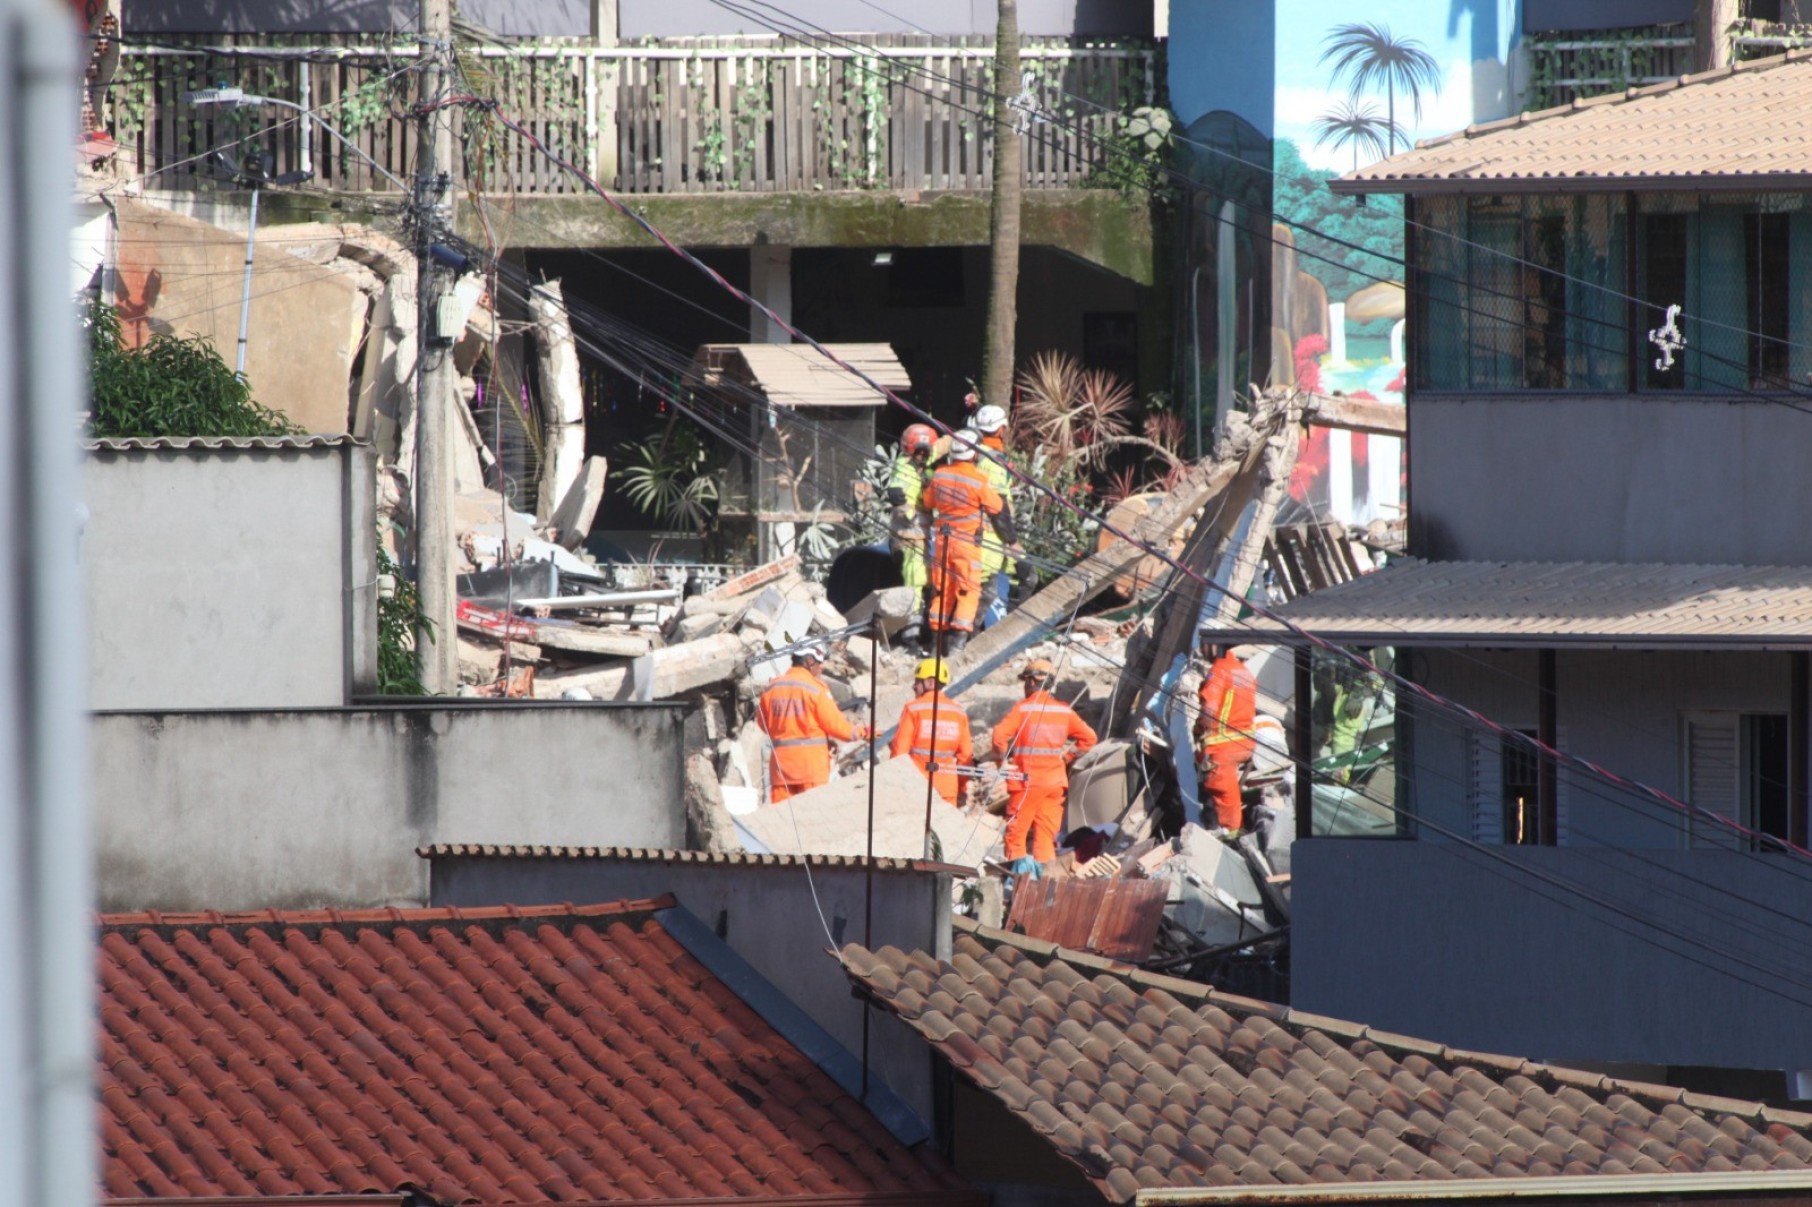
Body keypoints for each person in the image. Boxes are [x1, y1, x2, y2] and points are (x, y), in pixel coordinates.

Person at [919, 428, 1020, 655]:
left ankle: (936, 644)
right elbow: (997, 507)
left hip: (943, 542)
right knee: (967, 591)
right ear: (974, 454)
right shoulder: (978, 480)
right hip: (966, 545)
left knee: (942, 590)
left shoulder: (940, 474)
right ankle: (956, 646)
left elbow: (928, 502)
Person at [992, 657, 1097, 874]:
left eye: (1025, 681)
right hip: (1054, 784)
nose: (1024, 686)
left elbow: (999, 737)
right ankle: (1045, 885)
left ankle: (1017, 885)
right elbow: (1089, 739)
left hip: (1026, 783)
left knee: (1016, 835)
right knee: (1046, 837)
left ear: (1031, 682)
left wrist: (1002, 762)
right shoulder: (1064, 711)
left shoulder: (1023, 709)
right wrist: (1066, 758)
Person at [756, 644, 871, 803]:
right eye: (819, 662)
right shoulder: (815, 689)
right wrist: (863, 732)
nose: (822, 667)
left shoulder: (772, 688)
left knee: (784, 822)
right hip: (810, 769)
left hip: (781, 771)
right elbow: (838, 727)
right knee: (811, 819)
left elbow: (763, 724)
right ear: (809, 661)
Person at [890, 656, 972, 805]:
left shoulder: (913, 709)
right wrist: (961, 788)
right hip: (947, 789)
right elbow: (965, 756)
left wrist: (895, 786)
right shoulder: (958, 712)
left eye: (917, 681)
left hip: (917, 788)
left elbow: (899, 752)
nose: (914, 686)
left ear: (929, 683)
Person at [1195, 644, 1258, 832]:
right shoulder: (1243, 670)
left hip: (1223, 744)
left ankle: (1229, 832)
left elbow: (1210, 710)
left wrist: (1199, 729)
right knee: (1227, 788)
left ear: (1214, 645)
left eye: (1204, 645)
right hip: (1244, 741)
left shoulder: (1219, 670)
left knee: (1219, 787)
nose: (1202, 650)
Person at [970, 403, 1018, 630]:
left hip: (975, 532)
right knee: (989, 590)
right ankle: (998, 635)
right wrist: (1012, 539)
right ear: (1000, 430)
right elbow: (998, 505)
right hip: (991, 535)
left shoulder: (972, 454)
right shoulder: (995, 462)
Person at [887, 424, 937, 598]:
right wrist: (913, 518)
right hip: (910, 536)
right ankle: (913, 621)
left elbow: (938, 449)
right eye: (922, 452)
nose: (924, 456)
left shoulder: (919, 466)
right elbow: (897, 495)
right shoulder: (905, 469)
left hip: (918, 535)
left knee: (925, 578)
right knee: (916, 581)